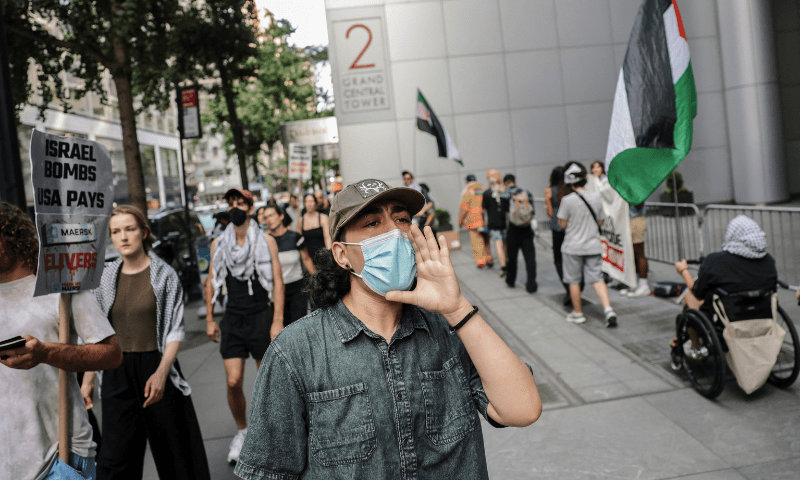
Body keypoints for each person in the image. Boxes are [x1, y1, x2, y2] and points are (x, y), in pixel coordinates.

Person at [233, 179, 542, 480]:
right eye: (372, 223)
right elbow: (270, 471)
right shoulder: (296, 352)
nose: (394, 231)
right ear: (342, 254)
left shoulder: (448, 329)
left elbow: (522, 410)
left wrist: (456, 308)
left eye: (402, 219)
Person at [0, 200, 122, 480]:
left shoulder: (59, 283)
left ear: (8, 234)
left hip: (61, 458)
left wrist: (45, 353)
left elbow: (110, 354)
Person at [93, 205, 210, 480]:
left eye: (129, 229)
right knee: (116, 458)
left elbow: (174, 330)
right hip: (116, 371)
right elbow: (98, 331)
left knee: (175, 455)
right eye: (116, 231)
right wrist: (88, 378)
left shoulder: (164, 275)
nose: (123, 237)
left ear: (144, 232)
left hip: (156, 366)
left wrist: (161, 372)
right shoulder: (106, 277)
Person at [205, 188, 285, 466]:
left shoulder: (266, 240)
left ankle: (270, 434)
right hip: (233, 319)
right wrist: (209, 318)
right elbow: (211, 281)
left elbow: (277, 280)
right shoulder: (219, 244)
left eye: (240, 203)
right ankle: (242, 431)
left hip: (261, 315)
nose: (235, 207)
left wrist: (277, 320)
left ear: (251, 209)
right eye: (231, 203)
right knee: (233, 381)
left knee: (267, 383)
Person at [674, 215, 777, 339]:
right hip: (762, 316)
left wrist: (684, 270)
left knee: (690, 297)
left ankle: (695, 349)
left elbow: (698, 292)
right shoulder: (768, 261)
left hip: (729, 318)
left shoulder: (715, 260)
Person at [557, 162, 618, 327]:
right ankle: (608, 310)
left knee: (574, 281)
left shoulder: (567, 200)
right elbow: (600, 221)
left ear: (570, 182)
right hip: (593, 245)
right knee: (597, 279)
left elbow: (561, 224)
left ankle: (578, 313)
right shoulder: (595, 196)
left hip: (572, 247)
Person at [263, 204, 315, 326]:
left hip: (297, 289)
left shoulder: (295, 237)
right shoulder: (264, 242)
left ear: (281, 216)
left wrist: (319, 280)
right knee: (283, 328)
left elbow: (307, 259)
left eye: (271, 215)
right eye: (266, 217)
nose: (269, 220)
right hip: (276, 292)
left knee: (300, 326)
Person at [501, 174, 537, 293]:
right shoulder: (526, 192)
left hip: (512, 230)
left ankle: (511, 280)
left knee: (512, 258)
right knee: (530, 258)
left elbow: (504, 215)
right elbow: (533, 210)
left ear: (505, 183)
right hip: (527, 228)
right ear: (514, 181)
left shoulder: (505, 194)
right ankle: (531, 285)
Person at [545, 166, 574, 305]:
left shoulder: (549, 191)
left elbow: (550, 213)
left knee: (558, 259)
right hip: (570, 226)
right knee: (572, 258)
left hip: (557, 227)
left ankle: (568, 288)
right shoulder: (569, 189)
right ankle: (575, 288)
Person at [458, 174, 493, 268]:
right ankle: (489, 258)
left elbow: (464, 207)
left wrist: (460, 220)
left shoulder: (468, 191)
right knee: (486, 240)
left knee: (476, 242)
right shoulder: (483, 189)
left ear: (467, 181)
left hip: (473, 221)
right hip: (484, 220)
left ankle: (481, 261)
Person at [482, 169, 508, 278]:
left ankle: (503, 266)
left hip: (493, 222)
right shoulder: (505, 191)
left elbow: (483, 210)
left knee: (498, 244)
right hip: (506, 222)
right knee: (505, 243)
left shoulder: (487, 193)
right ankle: (507, 262)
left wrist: (483, 222)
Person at [622, 202, 651, 297]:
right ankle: (636, 283)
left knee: (639, 253)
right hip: (630, 220)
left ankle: (644, 285)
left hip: (636, 220)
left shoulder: (636, 189)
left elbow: (639, 204)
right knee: (632, 254)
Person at [297, 193, 332, 266]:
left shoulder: (323, 218)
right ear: (304, 203)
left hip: (323, 255)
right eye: (307, 201)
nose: (309, 204)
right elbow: (300, 242)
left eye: (311, 201)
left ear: (315, 203)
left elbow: (327, 238)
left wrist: (329, 256)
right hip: (309, 258)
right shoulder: (300, 221)